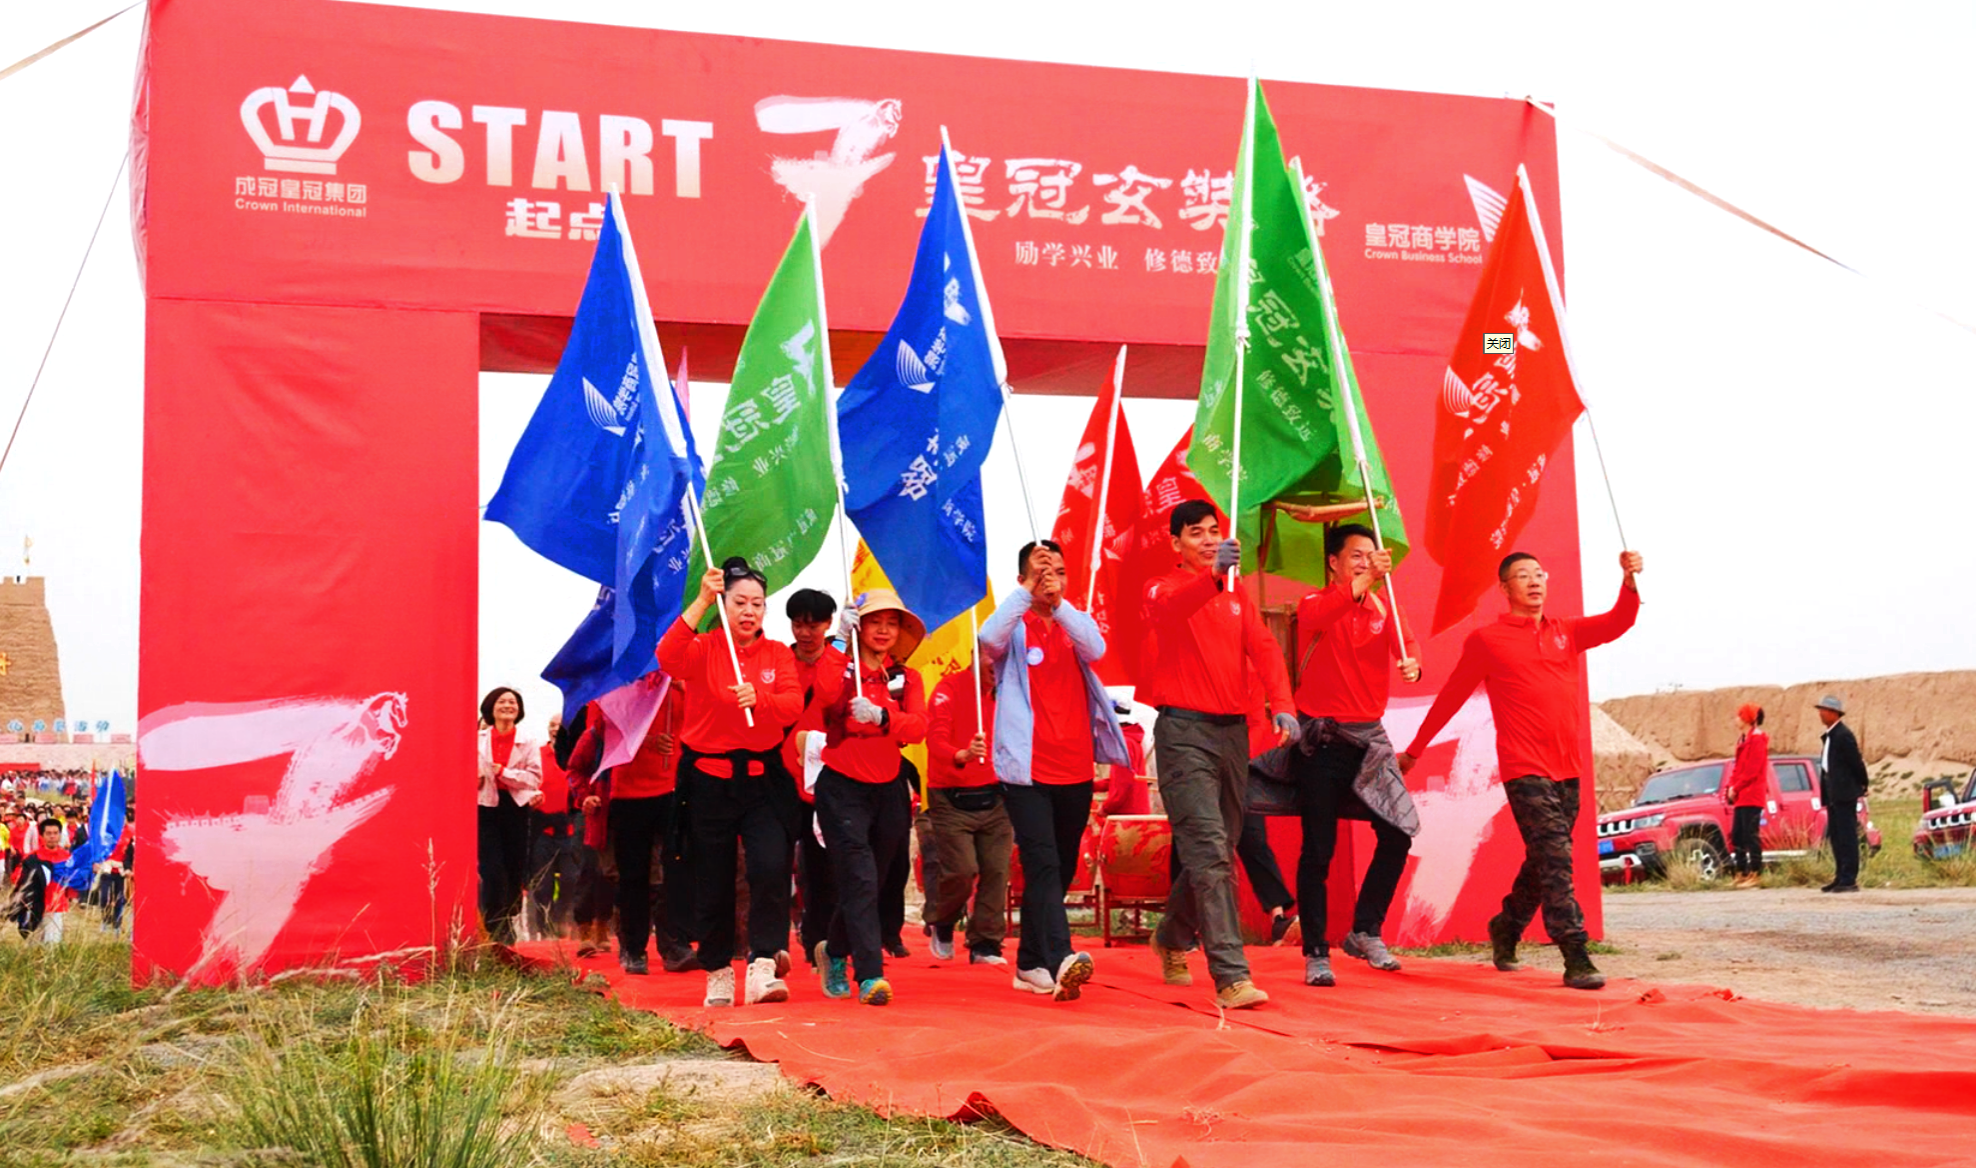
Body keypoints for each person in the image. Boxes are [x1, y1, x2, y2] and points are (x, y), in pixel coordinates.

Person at [1400, 549, 1644, 990]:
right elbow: (1452, 696)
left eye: (1539, 573)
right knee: (1556, 858)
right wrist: (1416, 749)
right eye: (1522, 576)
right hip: (1523, 767)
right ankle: (1576, 954)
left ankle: (1507, 926)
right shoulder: (1488, 640)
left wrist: (1628, 582)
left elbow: (1618, 622)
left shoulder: (1565, 632)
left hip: (1566, 767)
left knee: (1544, 860)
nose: (1534, 582)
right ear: (1504, 588)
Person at [1142, 501, 1296, 1009]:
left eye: (1214, 531)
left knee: (1221, 848)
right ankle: (1231, 975)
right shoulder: (1164, 589)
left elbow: (1266, 649)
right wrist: (1212, 576)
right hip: (1183, 733)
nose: (1209, 539)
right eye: (1196, 533)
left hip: (1232, 736)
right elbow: (1174, 608)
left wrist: (1284, 705)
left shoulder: (1236, 596)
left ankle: (1170, 935)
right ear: (1176, 543)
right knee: (1208, 850)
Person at [982, 539, 1129, 999]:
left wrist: (1059, 600)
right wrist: (1028, 589)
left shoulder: (1072, 622)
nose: (1051, 579)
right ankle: (1063, 957)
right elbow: (987, 639)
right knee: (1042, 861)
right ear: (1023, 578)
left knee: (1059, 868)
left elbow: (1098, 647)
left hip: (1074, 767)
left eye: (1059, 571)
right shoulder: (1015, 625)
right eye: (1042, 571)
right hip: (1026, 771)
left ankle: (1028, 963)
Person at [1277, 524, 1422, 987]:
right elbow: (1324, 616)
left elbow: (1408, 644)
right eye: (1356, 556)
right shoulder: (1314, 604)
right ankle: (1317, 952)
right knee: (1319, 848)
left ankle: (1365, 929)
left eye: (1371, 554)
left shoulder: (1386, 608)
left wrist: (1412, 664)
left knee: (1398, 832)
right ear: (1333, 563)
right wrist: (1360, 584)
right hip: (1323, 738)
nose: (1366, 562)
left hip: (1371, 738)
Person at [659, 557, 805, 1007]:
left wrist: (759, 697)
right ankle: (718, 969)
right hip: (708, 780)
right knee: (713, 879)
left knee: (768, 867)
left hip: (761, 780)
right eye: (739, 601)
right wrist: (702, 599)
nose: (749, 611)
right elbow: (667, 659)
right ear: (724, 603)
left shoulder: (777, 654)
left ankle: (762, 965)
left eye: (757, 604)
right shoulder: (704, 647)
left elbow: (792, 704)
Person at [806, 589, 929, 1006]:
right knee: (859, 878)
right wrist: (837, 640)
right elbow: (822, 693)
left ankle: (834, 950)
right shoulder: (842, 669)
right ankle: (869, 976)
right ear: (860, 625)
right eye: (875, 620)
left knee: (872, 882)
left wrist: (883, 718)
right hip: (842, 786)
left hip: (890, 787)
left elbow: (917, 728)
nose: (883, 630)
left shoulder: (906, 678)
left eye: (891, 623)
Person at [922, 665, 1012, 967]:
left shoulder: (1011, 687)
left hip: (998, 794)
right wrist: (962, 754)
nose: (994, 665)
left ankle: (985, 943)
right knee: (961, 870)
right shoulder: (947, 690)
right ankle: (943, 920)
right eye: (989, 656)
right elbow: (934, 740)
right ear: (975, 655)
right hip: (951, 795)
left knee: (997, 871)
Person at [783, 588, 847, 969]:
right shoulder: (778, 659)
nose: (806, 632)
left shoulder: (840, 662)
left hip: (825, 779)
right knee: (775, 865)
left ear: (828, 624)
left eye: (814, 624)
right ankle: (773, 947)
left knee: (823, 867)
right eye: (798, 623)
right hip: (782, 778)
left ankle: (820, 940)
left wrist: (841, 648)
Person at [476, 686, 541, 945]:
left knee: (514, 868)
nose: (507, 706)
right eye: (502, 701)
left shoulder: (528, 742)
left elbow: (535, 778)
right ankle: (496, 927)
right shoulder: (477, 739)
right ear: (491, 708)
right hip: (485, 806)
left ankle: (509, 913)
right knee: (492, 869)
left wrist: (504, 773)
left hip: (515, 807)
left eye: (512, 702)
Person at [526, 713, 581, 937]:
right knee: (542, 885)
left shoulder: (576, 756)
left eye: (560, 725)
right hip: (543, 830)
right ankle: (545, 930)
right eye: (552, 725)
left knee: (571, 878)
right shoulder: (538, 755)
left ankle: (560, 916)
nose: (555, 729)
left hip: (569, 829)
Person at [1814, 695, 1866, 893]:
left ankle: (1849, 878)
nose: (1820, 713)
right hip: (1833, 792)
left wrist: (1863, 783)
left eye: (1824, 710)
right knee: (1835, 835)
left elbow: (1856, 762)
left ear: (1834, 713)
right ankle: (1840, 876)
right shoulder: (1830, 735)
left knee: (1847, 835)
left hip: (1844, 793)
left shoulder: (1844, 735)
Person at [1722, 704, 1769, 889]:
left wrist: (1737, 786)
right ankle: (1741, 871)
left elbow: (1752, 770)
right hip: (1742, 794)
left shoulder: (1757, 740)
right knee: (1738, 835)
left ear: (1748, 718)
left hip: (1752, 794)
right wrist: (1730, 787)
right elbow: (1738, 767)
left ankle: (1755, 873)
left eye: (1739, 716)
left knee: (1751, 834)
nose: (1736, 719)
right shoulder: (1743, 739)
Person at [13, 820, 73, 942]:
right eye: (48, 833)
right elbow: (16, 878)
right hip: (34, 907)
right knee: (33, 950)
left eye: (55, 833)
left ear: (60, 835)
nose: (52, 836)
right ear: (42, 836)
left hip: (56, 907)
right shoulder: (31, 858)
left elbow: (75, 881)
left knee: (52, 948)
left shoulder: (67, 857)